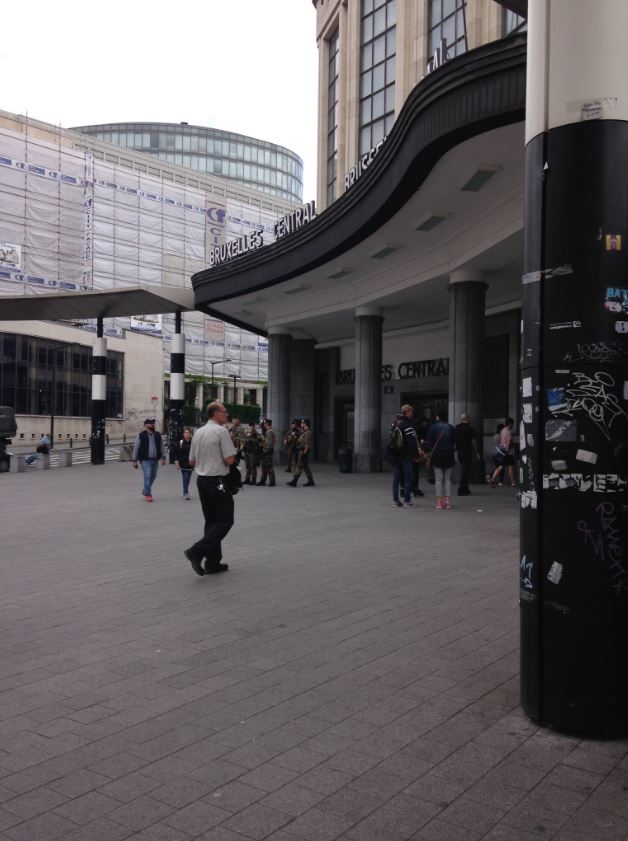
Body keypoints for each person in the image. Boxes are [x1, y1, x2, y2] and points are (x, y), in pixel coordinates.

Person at [184, 401, 237, 576]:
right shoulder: (221, 431)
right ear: (215, 413)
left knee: (211, 521)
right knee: (226, 520)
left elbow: (191, 461)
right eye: (224, 412)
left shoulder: (198, 432)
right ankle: (196, 551)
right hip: (219, 481)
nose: (227, 415)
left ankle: (213, 562)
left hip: (202, 480)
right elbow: (230, 460)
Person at [427, 409, 456, 509]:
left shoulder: (433, 427)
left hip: (437, 454)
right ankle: (448, 501)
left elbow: (430, 443)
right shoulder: (451, 427)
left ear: (437, 417)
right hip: (449, 454)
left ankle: (439, 502)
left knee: (438, 479)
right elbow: (454, 442)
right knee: (447, 479)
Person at [391, 404, 419, 508]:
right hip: (405, 454)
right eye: (411, 412)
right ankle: (407, 500)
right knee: (408, 476)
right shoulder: (407, 424)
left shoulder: (395, 423)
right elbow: (411, 441)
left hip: (396, 454)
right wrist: (415, 454)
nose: (412, 414)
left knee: (397, 477)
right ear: (407, 412)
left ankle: (395, 500)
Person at [132, 418, 165, 502]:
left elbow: (162, 446)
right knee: (147, 476)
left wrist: (163, 457)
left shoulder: (157, 435)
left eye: (153, 424)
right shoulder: (141, 435)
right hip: (145, 460)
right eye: (151, 424)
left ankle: (146, 490)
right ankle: (148, 494)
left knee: (153, 476)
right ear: (146, 425)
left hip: (155, 460)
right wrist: (134, 461)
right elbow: (136, 448)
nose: (152, 425)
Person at [454, 414, 479, 496]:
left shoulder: (456, 428)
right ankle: (461, 490)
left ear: (461, 419)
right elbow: (473, 442)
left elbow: (454, 440)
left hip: (459, 453)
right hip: (467, 452)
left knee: (464, 471)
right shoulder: (470, 429)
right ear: (468, 419)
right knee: (465, 472)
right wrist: (477, 452)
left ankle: (465, 488)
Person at [287, 418, 315, 487]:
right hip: (302, 451)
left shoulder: (308, 432)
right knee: (305, 467)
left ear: (305, 424)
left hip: (303, 451)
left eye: (302, 423)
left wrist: (304, 453)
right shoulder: (304, 432)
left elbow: (307, 444)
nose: (301, 424)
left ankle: (294, 481)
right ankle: (311, 481)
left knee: (299, 466)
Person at [490, 417, 516, 488]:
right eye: (512, 424)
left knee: (501, 466)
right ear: (510, 424)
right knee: (510, 467)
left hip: (502, 451)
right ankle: (513, 483)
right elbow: (510, 442)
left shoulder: (502, 430)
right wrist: (513, 445)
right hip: (508, 452)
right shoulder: (508, 431)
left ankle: (492, 479)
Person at [256, 418, 276, 486]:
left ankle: (272, 481)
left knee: (269, 466)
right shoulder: (268, 431)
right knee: (264, 466)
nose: (264, 425)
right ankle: (262, 480)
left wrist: (265, 452)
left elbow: (269, 444)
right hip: (266, 451)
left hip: (268, 452)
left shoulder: (270, 432)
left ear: (266, 424)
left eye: (264, 424)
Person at [176, 426, 194, 500]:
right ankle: (185, 493)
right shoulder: (180, 442)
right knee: (185, 477)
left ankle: (185, 490)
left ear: (190, 434)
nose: (186, 434)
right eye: (185, 432)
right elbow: (177, 453)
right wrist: (177, 463)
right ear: (183, 434)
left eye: (188, 432)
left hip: (191, 463)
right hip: (183, 464)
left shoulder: (193, 442)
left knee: (188, 478)